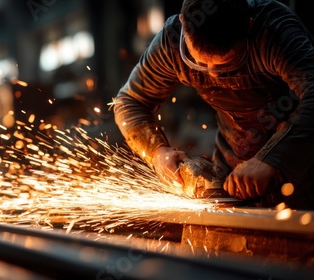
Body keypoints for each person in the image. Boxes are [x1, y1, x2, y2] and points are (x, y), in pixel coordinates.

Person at [114, 0, 314, 209]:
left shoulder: (275, 32)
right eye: (199, 62)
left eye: (226, 64)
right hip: (230, 176)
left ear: (249, 26)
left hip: (303, 169)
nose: (213, 73)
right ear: (183, 23)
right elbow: (130, 102)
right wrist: (157, 152)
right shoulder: (172, 40)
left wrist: (273, 159)